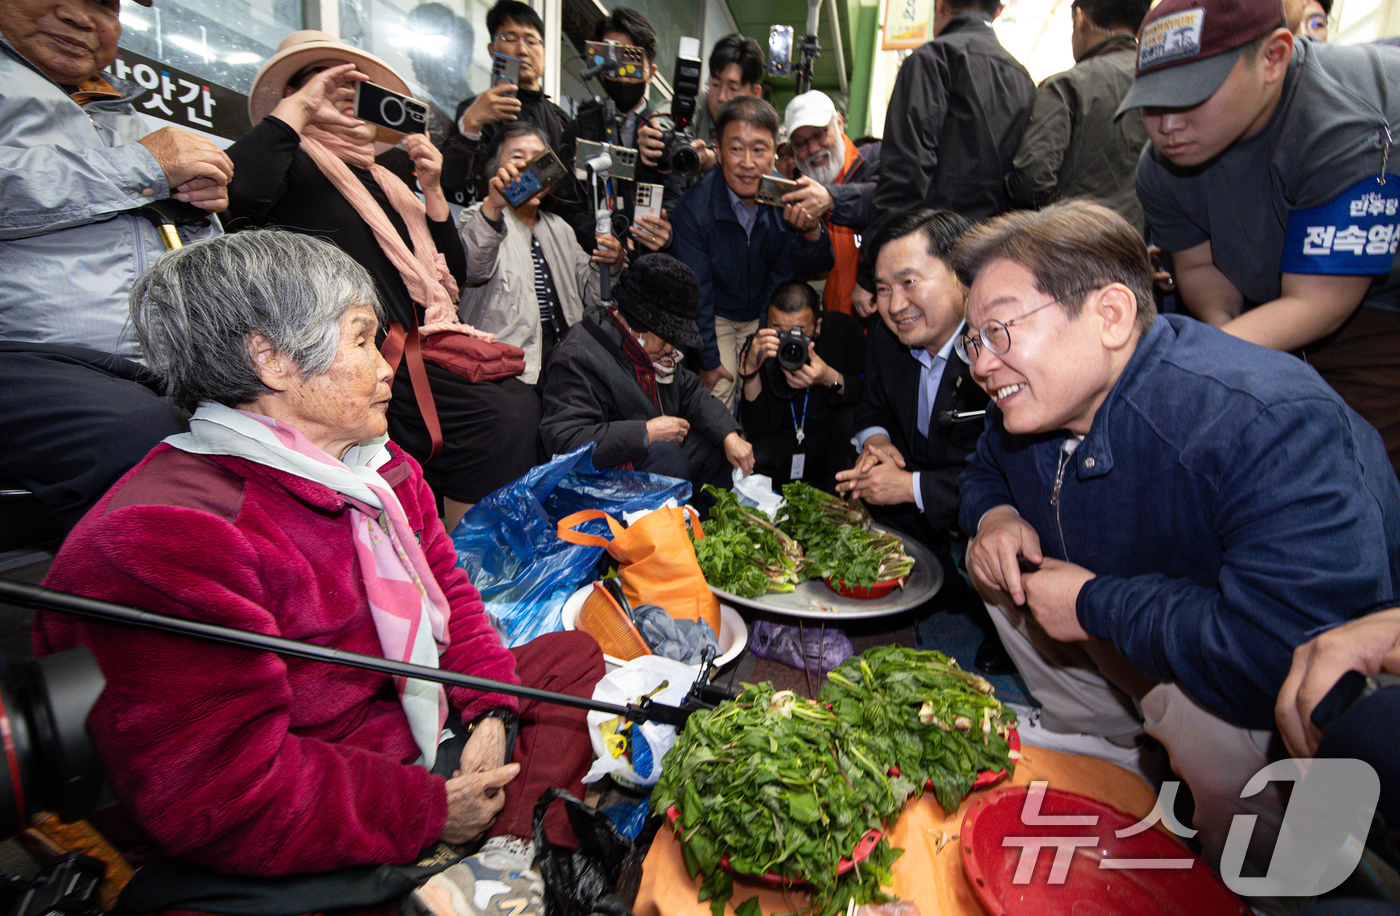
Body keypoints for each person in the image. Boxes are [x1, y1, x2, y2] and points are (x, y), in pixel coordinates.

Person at [36, 230, 604, 915]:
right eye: (363, 340)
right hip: (326, 788)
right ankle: (475, 857)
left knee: (572, 660)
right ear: (272, 361)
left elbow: (454, 595)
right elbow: (222, 794)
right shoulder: (165, 535)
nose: (388, 364)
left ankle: (496, 857)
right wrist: (428, 812)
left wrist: (489, 711)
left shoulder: (379, 470)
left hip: (414, 732)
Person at [953, 199, 1400, 874]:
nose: (982, 365)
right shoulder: (1039, 401)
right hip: (1142, 619)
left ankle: (1283, 875)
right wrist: (995, 520)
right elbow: (986, 466)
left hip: (1263, 689)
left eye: (999, 331)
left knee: (1265, 865)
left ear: (1110, 316)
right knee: (990, 563)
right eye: (973, 341)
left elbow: (1281, 655)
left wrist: (1094, 603)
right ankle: (1103, 736)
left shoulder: (1263, 421)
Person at [226, 31, 543, 534]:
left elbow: (452, 274)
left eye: (358, 86)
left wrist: (434, 191)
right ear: (296, 94)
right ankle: (459, 568)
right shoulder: (291, 160)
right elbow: (238, 192)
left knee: (515, 405)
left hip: (413, 351)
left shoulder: (387, 179)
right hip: (341, 356)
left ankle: (464, 566)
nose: (347, 92)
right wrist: (298, 111)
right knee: (493, 420)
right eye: (329, 82)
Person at [1120, 0, 1400, 477]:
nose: (1167, 126)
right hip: (1282, 297)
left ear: (1273, 57)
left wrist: (1183, 365)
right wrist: (1222, 337)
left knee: (1348, 467)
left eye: (1190, 95)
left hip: (1376, 306)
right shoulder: (1163, 165)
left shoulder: (1343, 125)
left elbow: (1320, 304)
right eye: (1152, 100)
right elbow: (1200, 267)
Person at [0, 0, 230, 530]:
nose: (82, 18)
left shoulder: (124, 118)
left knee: (296, 421)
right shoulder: (138, 147)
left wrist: (197, 213)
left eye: (104, 4)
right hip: (26, 357)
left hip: (149, 365)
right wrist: (143, 167)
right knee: (145, 442)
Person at [835, 209, 1007, 675]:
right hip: (928, 470)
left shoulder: (999, 352)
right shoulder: (888, 342)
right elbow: (871, 406)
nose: (895, 305)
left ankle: (1009, 635)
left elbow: (1006, 476)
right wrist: (877, 443)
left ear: (961, 275)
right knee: (861, 474)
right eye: (884, 288)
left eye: (909, 282)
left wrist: (908, 486)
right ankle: (943, 588)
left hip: (997, 495)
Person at [539, 254, 754, 496]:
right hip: (593, 482)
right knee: (668, 460)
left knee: (714, 449)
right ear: (637, 323)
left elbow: (691, 392)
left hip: (638, 462)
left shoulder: (653, 353)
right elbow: (565, 440)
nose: (670, 348)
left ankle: (700, 529)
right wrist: (646, 433)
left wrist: (729, 435)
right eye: (666, 335)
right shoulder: (578, 356)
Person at [671, 96, 834, 412]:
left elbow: (789, 276)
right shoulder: (693, 208)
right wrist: (709, 360)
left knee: (766, 393)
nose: (747, 162)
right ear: (718, 151)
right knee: (718, 393)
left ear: (775, 151)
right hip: (715, 313)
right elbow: (698, 291)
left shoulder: (788, 198)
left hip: (764, 310)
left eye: (759, 149)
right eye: (735, 149)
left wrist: (813, 229)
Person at [458, 123, 622, 384]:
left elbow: (592, 298)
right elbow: (471, 269)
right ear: (495, 168)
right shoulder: (480, 217)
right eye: (517, 157)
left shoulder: (560, 229)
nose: (528, 168)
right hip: (503, 370)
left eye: (539, 159)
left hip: (565, 364)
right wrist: (493, 206)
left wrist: (610, 266)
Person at [868, 0, 1035, 232]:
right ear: (997, 12)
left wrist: (879, 248)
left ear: (939, 6)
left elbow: (905, 171)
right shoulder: (1023, 79)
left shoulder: (930, 59)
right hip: (994, 244)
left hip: (935, 243)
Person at [438, 0, 589, 246]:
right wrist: (472, 124)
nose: (522, 49)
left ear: (544, 52)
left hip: (555, 242)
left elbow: (573, 196)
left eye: (531, 41)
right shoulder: (477, 108)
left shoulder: (562, 119)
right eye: (510, 38)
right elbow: (452, 181)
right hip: (495, 238)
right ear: (491, 49)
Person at [1005, 0, 1151, 229]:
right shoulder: (1160, 82)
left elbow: (1030, 180)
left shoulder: (1067, 86)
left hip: (1072, 244)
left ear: (1080, 19)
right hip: (1137, 245)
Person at [737, 281, 865, 492]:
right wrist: (751, 368)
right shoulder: (762, 346)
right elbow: (754, 428)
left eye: (798, 331)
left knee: (850, 424)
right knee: (753, 458)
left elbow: (867, 395)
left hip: (831, 441)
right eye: (778, 329)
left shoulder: (845, 333)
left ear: (818, 326)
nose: (788, 339)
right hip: (785, 440)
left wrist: (827, 377)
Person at [573, 8, 682, 255]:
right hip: (591, 260)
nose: (621, 74)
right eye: (613, 60)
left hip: (646, 262)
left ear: (650, 72)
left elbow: (675, 196)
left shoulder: (665, 132)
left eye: (630, 60)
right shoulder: (581, 127)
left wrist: (667, 231)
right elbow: (569, 201)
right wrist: (601, 240)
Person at [781, 90, 882, 315]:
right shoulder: (797, 193)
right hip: (836, 324)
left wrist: (830, 199)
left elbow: (883, 203)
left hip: (884, 324)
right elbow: (808, 271)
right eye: (801, 143)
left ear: (839, 123)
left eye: (819, 134)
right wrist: (811, 233)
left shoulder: (879, 159)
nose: (813, 149)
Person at [689, 33, 765, 174]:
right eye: (716, 85)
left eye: (733, 89)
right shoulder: (697, 104)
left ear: (755, 93)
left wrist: (711, 158)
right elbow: (667, 118)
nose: (722, 97)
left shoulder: (761, 130)